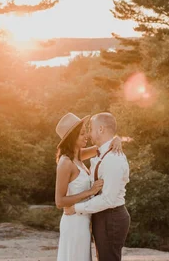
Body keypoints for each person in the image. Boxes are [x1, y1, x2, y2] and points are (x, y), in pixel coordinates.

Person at [54, 112, 123, 261]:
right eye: (82, 134)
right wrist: (89, 192)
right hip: (73, 222)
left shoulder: (78, 156)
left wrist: (117, 139)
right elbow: (59, 202)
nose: (87, 136)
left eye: (86, 132)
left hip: (84, 221)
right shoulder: (65, 163)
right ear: (72, 138)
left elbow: (104, 145)